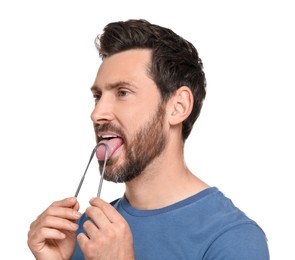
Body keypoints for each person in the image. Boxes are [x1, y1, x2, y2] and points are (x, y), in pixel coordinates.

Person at [27, 19, 270, 259]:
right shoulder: (82, 234)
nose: (97, 113)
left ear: (177, 107)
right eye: (97, 96)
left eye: (123, 93)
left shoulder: (234, 239)